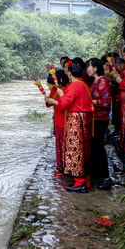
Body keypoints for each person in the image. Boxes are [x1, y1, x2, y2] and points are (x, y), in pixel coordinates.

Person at [46, 60, 93, 193]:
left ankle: (80, 182)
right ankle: (85, 179)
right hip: (84, 119)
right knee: (83, 149)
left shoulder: (75, 86)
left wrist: (60, 95)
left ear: (70, 74)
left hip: (76, 120)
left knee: (75, 149)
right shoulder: (83, 84)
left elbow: (63, 104)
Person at [85, 58, 113, 190]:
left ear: (95, 68)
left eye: (89, 67)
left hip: (101, 119)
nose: (87, 69)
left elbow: (106, 102)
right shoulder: (96, 81)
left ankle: (106, 178)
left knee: (99, 148)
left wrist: (91, 102)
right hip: (95, 118)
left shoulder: (102, 81)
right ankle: (99, 175)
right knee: (95, 148)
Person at [47, 68, 70, 176]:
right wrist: (48, 100)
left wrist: (53, 101)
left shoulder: (67, 88)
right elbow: (50, 102)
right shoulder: (54, 89)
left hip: (65, 120)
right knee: (59, 146)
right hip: (57, 120)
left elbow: (63, 104)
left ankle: (67, 167)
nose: (53, 86)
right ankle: (60, 167)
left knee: (65, 146)